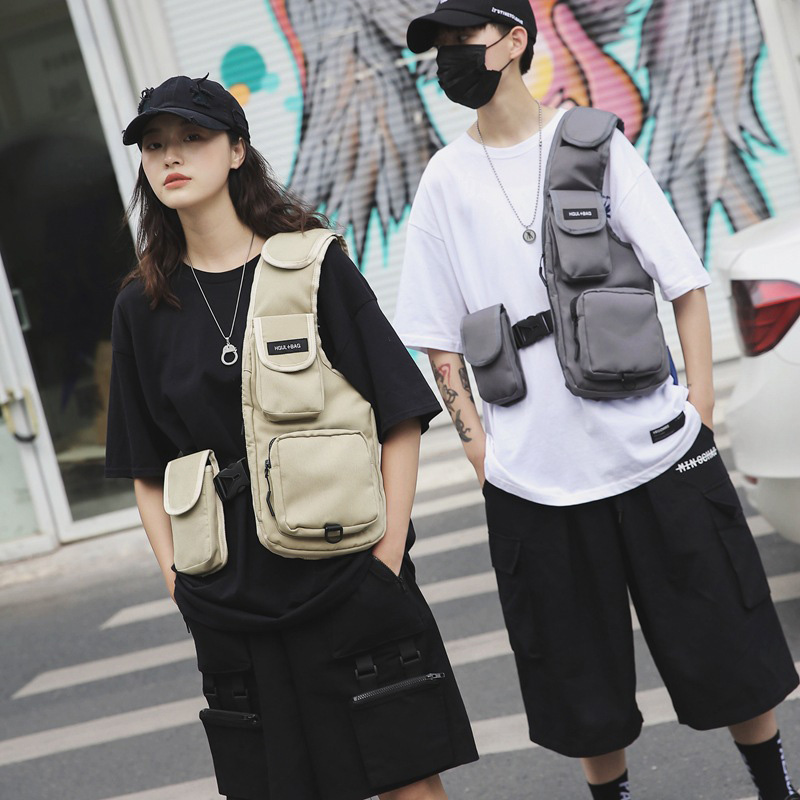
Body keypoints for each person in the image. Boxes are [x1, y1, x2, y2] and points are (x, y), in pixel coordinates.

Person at [393, 2, 800, 799]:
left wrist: (700, 411)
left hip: (656, 453)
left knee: (730, 648)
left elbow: (683, 282)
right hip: (534, 480)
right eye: (438, 48)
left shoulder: (595, 144)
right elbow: (436, 337)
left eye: (463, 41)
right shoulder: (444, 180)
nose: (449, 59)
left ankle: (775, 788)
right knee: (581, 689)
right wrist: (481, 451)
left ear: (515, 41)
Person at [105, 74, 477, 800]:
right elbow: (146, 467)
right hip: (229, 595)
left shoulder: (312, 264)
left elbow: (400, 415)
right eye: (153, 145)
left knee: (407, 783)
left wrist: (384, 561)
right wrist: (180, 587)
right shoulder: (141, 305)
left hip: (345, 569)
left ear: (236, 150)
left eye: (192, 138)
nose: (170, 156)